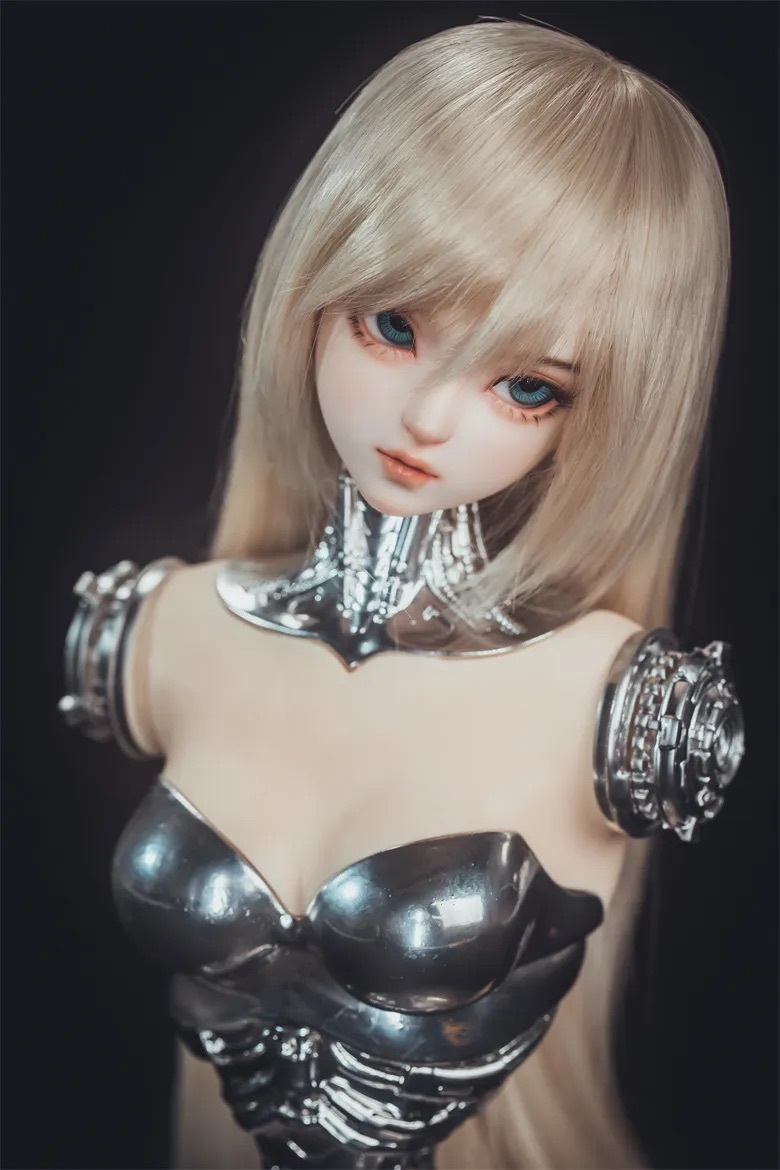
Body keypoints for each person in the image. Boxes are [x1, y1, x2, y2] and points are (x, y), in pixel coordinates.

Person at [59, 19, 744, 1170]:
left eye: (526, 386)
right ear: (313, 285)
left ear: (606, 414)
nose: (427, 417)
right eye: (394, 326)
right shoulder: (164, 626)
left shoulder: (617, 701)